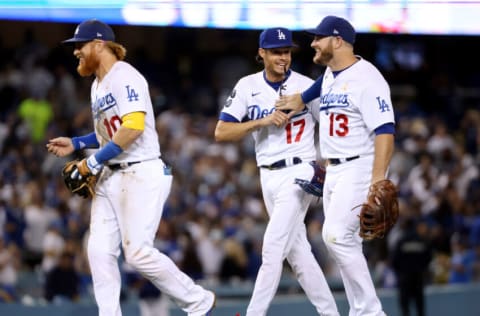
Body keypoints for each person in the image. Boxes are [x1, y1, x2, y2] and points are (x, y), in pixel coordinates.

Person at [46, 19, 215, 316]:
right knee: (98, 252)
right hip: (112, 174)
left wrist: (92, 160)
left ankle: (198, 302)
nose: (76, 53)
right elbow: (107, 135)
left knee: (137, 254)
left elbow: (133, 127)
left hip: (141, 171)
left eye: (80, 46)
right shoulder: (98, 84)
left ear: (99, 45)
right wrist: (76, 143)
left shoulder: (125, 76)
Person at [275, 16, 396, 315]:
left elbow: (385, 130)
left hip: (360, 165)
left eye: (319, 38)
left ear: (338, 40)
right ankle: (360, 310)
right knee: (344, 244)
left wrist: (378, 179)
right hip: (335, 169)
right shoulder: (331, 73)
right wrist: (302, 98)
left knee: (336, 236)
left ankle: (370, 311)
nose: (313, 43)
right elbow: (323, 85)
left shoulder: (368, 78)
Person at [214, 27, 339, 316]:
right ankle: (330, 313)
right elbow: (221, 131)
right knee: (299, 256)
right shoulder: (247, 86)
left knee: (272, 248)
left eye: (287, 51)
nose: (283, 57)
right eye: (276, 52)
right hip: (267, 175)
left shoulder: (307, 86)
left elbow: (330, 128)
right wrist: (261, 122)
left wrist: (331, 167)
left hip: (300, 172)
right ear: (261, 53)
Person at [391, 218, 432, 316]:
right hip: (418, 278)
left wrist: (401, 272)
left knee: (405, 308)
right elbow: (428, 257)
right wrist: (421, 268)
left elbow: (394, 260)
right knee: (420, 307)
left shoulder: (401, 241)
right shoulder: (422, 241)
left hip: (405, 279)